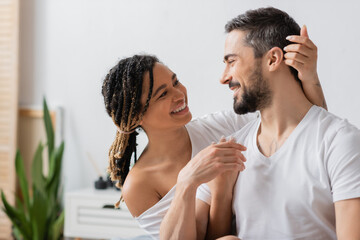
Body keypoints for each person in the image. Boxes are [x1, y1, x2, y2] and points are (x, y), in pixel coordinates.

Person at [101, 24, 325, 239]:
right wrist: (188, 182)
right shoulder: (139, 185)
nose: (179, 94)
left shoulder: (225, 125)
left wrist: (309, 76)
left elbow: (306, 130)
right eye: (162, 94)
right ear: (136, 117)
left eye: (176, 82)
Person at [160, 7, 360, 240]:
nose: (224, 77)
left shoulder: (340, 143)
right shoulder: (231, 151)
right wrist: (186, 182)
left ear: (273, 59)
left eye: (231, 62)